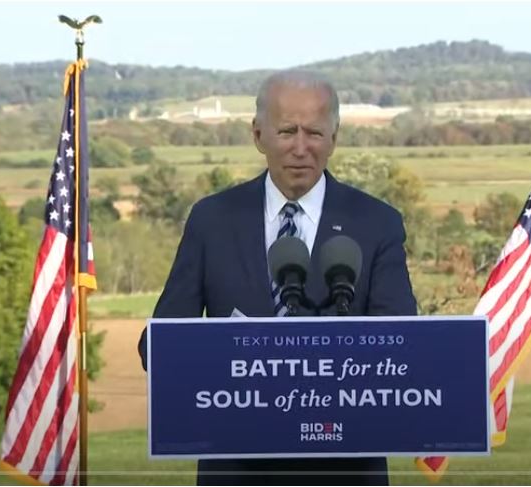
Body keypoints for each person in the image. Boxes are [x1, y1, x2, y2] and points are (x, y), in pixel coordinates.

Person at [138, 70, 417, 485]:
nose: (300, 148)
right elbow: (159, 346)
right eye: (286, 131)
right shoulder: (212, 220)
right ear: (258, 135)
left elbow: (402, 348)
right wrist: (238, 362)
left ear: (334, 139)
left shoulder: (377, 223)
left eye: (315, 133)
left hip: (343, 469)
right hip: (236, 469)